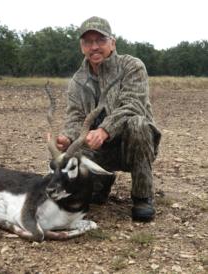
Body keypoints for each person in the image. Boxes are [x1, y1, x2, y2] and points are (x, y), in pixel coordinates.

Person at [56, 16, 161, 222]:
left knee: (137, 123)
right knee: (71, 158)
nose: (94, 47)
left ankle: (142, 197)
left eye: (100, 40)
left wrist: (105, 130)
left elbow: (133, 104)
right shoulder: (78, 80)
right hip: (98, 150)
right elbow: (75, 116)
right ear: (81, 47)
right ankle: (102, 183)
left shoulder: (132, 66)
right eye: (88, 42)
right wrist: (68, 138)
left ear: (112, 42)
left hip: (133, 146)